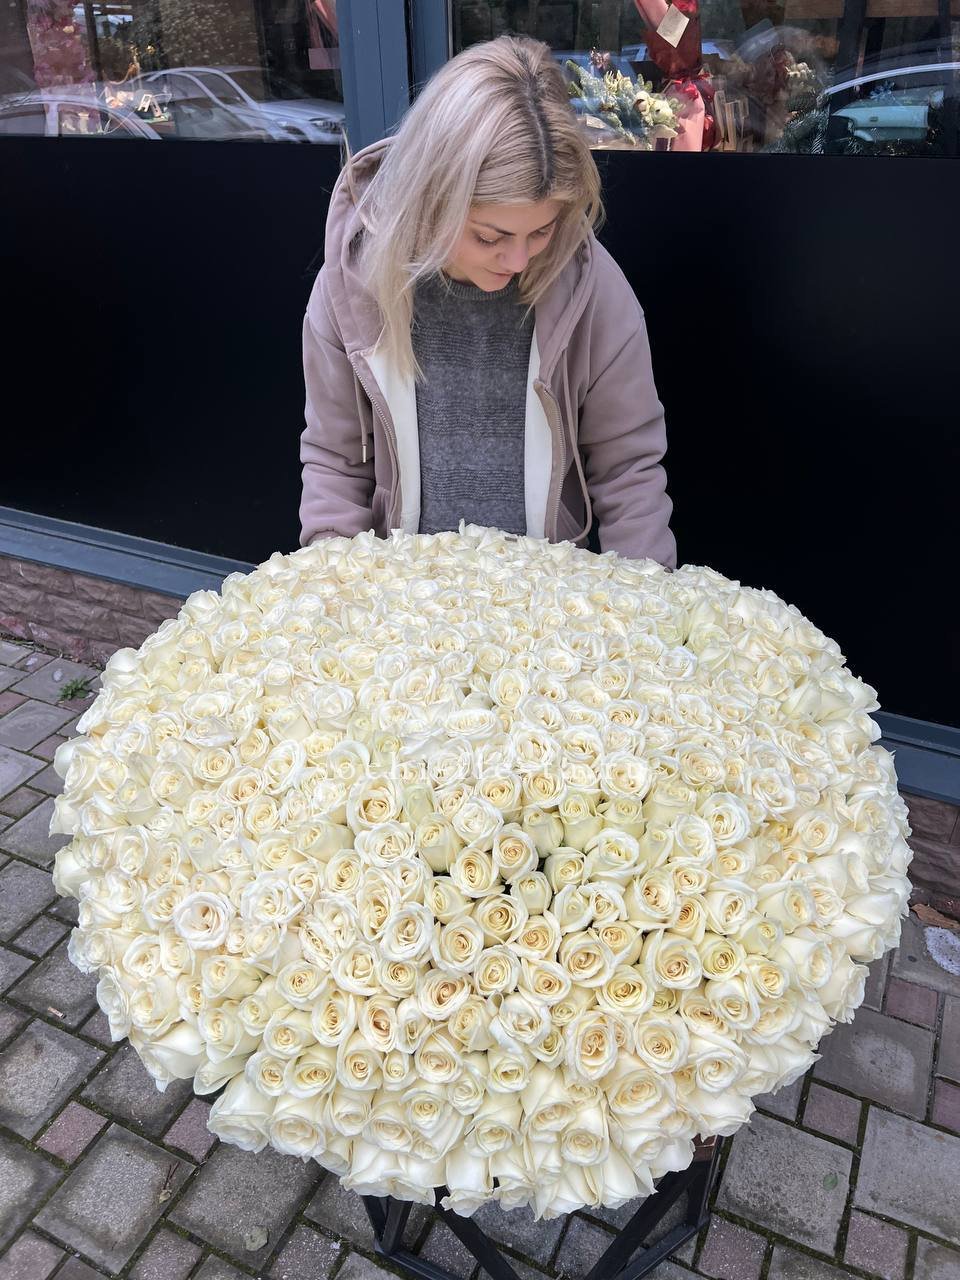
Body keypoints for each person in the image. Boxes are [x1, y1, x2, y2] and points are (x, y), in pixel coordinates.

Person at [298, 33, 676, 569]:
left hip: (545, 598)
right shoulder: (352, 287)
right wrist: (333, 588)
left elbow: (628, 471)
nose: (518, 261)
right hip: (399, 600)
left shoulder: (593, 291)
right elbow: (336, 463)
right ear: (429, 200)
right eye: (489, 237)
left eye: (541, 231)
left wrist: (648, 597)